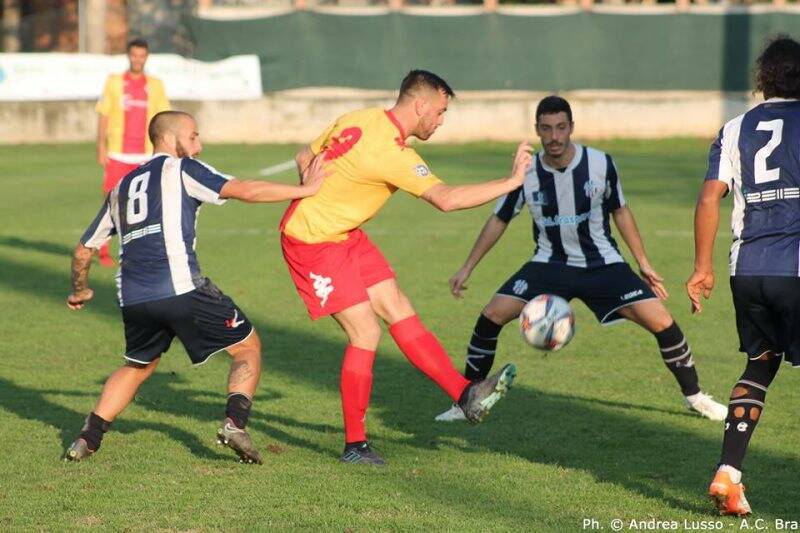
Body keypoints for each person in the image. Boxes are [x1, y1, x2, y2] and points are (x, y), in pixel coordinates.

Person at [281, 69, 532, 466]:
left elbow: (303, 156)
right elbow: (446, 199)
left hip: (345, 234)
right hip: (313, 242)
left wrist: (314, 193)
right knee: (365, 331)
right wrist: (511, 181)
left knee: (397, 305)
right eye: (440, 111)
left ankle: (465, 395)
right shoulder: (392, 154)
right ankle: (354, 446)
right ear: (420, 104)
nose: (441, 120)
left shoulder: (358, 118)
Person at [435, 95, 727, 424]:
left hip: (603, 265)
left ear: (571, 127)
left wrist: (643, 262)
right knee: (490, 315)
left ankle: (695, 397)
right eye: (546, 129)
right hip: (548, 265)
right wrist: (467, 267)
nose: (554, 136)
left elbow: (621, 211)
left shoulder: (601, 164)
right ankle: (466, 400)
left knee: (662, 322)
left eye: (561, 127)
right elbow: (499, 220)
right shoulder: (525, 174)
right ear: (537, 130)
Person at [65, 111, 326, 464]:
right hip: (181, 288)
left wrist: (79, 290)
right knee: (246, 345)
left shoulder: (121, 186)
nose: (199, 146)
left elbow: (83, 250)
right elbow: (246, 190)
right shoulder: (182, 170)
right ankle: (235, 423)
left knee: (138, 366)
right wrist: (306, 189)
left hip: (134, 297)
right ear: (171, 140)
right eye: (193, 137)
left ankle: (87, 438)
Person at [687, 36, 800, 516]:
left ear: (763, 79)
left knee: (761, 363)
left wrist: (702, 267)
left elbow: (710, 197)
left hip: (747, 268)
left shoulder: (734, 128)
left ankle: (728, 473)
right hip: (795, 265)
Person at [95, 38, 170, 267]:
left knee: (145, 205)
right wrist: (101, 146)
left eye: (142, 55)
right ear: (129, 56)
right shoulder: (114, 83)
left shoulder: (155, 85)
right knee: (112, 202)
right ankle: (103, 250)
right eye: (134, 55)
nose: (138, 59)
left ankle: (140, 251)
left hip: (145, 155)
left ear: (146, 58)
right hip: (118, 153)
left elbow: (163, 118)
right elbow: (103, 114)